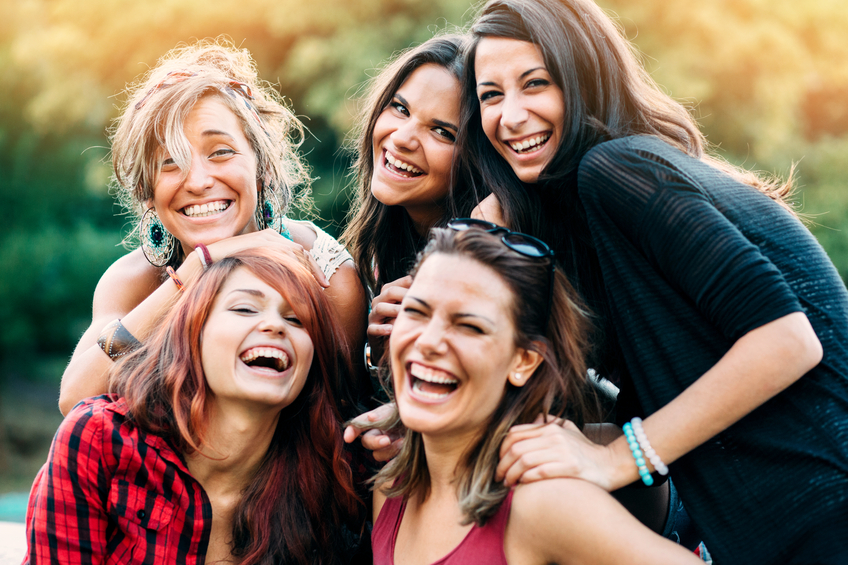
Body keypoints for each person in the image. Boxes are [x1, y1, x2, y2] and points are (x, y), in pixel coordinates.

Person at [458, 0, 848, 562]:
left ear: (584, 79)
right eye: (491, 95)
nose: (510, 116)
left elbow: (787, 342)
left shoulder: (620, 169)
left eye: (536, 84)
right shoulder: (599, 218)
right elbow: (661, 429)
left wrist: (617, 460)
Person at [58, 40, 368, 416]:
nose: (198, 181)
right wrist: (198, 266)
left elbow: (345, 425)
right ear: (147, 193)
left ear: (262, 167)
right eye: (171, 162)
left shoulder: (326, 274)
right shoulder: (135, 281)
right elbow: (74, 397)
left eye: (220, 152)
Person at [367, 226, 702, 565]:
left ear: (524, 361)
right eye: (416, 311)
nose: (427, 340)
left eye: (469, 326)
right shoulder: (390, 486)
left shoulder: (541, 503)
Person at [25, 249, 369, 564]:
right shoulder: (99, 439)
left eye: (297, 320)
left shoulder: (339, 476)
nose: (274, 326)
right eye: (245, 308)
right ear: (193, 335)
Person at [340, 34, 485, 395]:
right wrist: (378, 355)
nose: (403, 137)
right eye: (400, 109)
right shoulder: (381, 249)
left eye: (442, 132)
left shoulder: (486, 260)